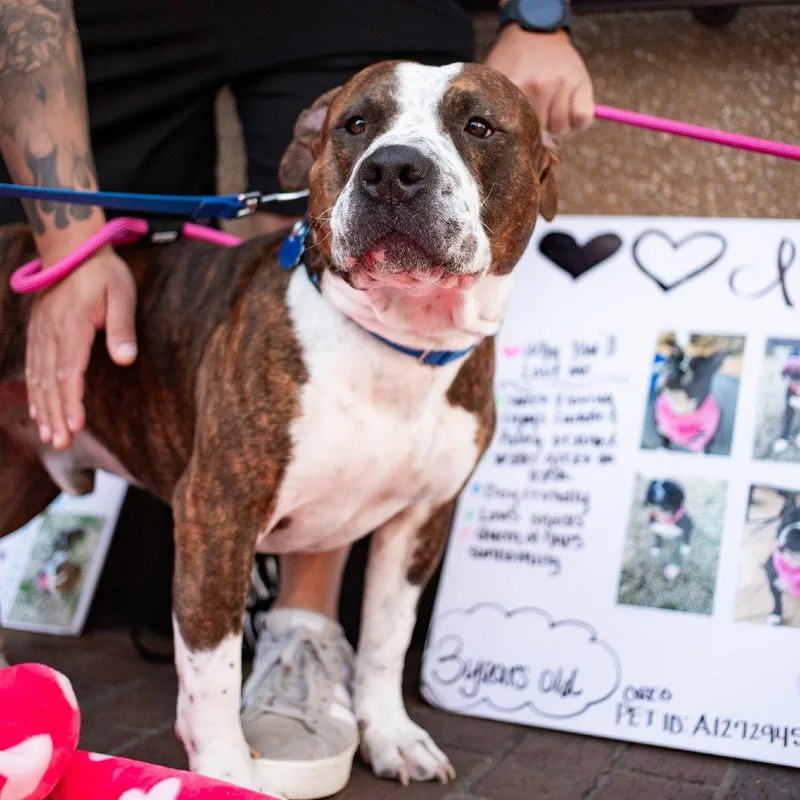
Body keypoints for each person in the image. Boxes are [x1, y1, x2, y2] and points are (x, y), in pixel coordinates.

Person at [0, 1, 594, 796]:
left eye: (477, 130)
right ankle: (211, 746)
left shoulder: (465, 382)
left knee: (416, 509)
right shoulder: (279, 351)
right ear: (313, 160)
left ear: (543, 178)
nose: (395, 165)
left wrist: (541, 14)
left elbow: (415, 524)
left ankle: (372, 706)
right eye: (357, 134)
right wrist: (220, 767)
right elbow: (212, 530)